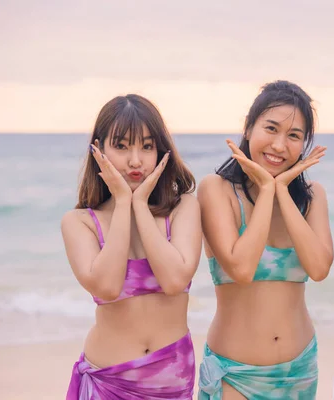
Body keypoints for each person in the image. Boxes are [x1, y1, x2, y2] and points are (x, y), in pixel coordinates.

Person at [197, 80, 334, 399]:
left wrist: (282, 191)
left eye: (294, 136)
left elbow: (319, 268)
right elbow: (241, 269)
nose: (279, 145)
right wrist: (268, 189)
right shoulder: (216, 190)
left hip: (299, 372)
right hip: (236, 373)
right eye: (271, 129)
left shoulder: (312, 198)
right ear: (248, 128)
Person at [62, 94, 202, 399]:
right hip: (107, 381)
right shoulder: (80, 222)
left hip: (172, 381)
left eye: (147, 146)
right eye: (122, 146)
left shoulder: (183, 209)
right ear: (98, 149)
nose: (136, 160)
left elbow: (175, 280)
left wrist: (140, 205)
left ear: (160, 150)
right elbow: (108, 287)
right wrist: (124, 201)